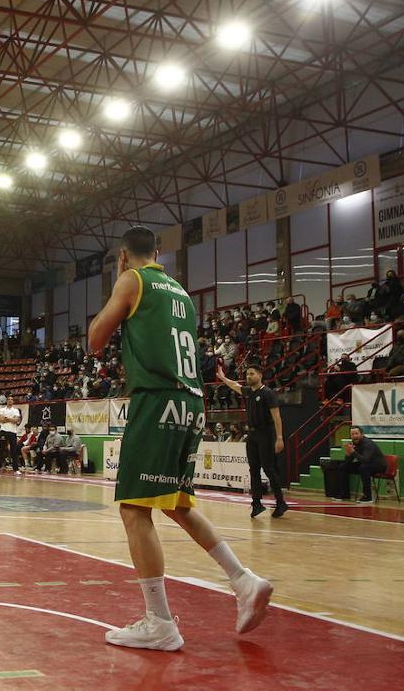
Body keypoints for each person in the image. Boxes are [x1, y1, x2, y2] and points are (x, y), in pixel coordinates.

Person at [89, 226, 273, 651]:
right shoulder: (181, 292)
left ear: (123, 256)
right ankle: (243, 580)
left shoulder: (133, 279)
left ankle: (159, 621)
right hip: (192, 403)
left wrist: (117, 288)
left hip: (157, 400)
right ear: (159, 253)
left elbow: (95, 340)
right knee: (178, 504)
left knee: (135, 510)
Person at [215, 364, 288, 517]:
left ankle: (281, 502)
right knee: (253, 469)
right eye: (247, 374)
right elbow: (235, 385)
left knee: (268, 469)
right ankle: (256, 503)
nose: (248, 376)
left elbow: (277, 417)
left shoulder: (268, 393)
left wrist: (279, 438)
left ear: (260, 375)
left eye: (252, 374)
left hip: (266, 434)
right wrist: (222, 378)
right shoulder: (248, 392)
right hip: (252, 435)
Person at [338, 426, 386, 503]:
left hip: (379, 465)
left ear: (362, 434)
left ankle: (367, 497)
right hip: (365, 464)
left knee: (363, 468)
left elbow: (366, 460)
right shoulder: (354, 443)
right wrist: (348, 454)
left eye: (356, 434)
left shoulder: (368, 444)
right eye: (352, 434)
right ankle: (344, 494)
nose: (354, 436)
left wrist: (353, 452)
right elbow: (348, 461)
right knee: (343, 467)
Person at [0, 396, 22, 475]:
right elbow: (1, 420)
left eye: (11, 399)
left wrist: (7, 418)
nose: (10, 401)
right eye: (8, 399)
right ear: (6, 401)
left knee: (14, 451)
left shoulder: (16, 410)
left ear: (13, 401)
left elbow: (16, 420)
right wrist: (11, 419)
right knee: (1, 450)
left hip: (12, 432)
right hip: (3, 431)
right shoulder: (2, 409)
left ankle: (16, 469)